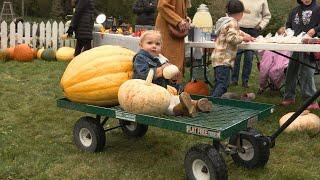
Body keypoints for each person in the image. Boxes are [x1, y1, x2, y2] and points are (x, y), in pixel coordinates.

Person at [133, 30, 212, 117]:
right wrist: (161, 70)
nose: (154, 46)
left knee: (175, 99)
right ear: (141, 45)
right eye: (149, 43)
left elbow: (165, 79)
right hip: (145, 95)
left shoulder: (161, 59)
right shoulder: (140, 58)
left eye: (157, 44)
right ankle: (179, 110)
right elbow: (143, 75)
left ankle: (196, 104)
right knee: (166, 106)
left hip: (160, 92)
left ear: (161, 46)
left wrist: (172, 78)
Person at [281, 0, 320, 110]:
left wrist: (315, 29)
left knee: (306, 72)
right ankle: (289, 97)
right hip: (295, 45)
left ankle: (310, 101)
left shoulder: (318, 9)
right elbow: (288, 25)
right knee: (291, 71)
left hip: (311, 47)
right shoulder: (295, 11)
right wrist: (287, 31)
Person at [211, 0, 254, 97]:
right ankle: (212, 102)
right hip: (224, 59)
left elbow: (237, 32)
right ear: (239, 13)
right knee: (223, 85)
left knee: (219, 83)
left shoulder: (226, 21)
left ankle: (209, 103)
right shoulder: (233, 22)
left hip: (218, 58)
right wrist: (243, 39)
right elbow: (231, 38)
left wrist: (248, 36)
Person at [231, 0, 271, 88]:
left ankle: (245, 81)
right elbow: (231, 11)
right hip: (239, 28)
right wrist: (233, 23)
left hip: (254, 30)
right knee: (236, 56)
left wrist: (261, 26)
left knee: (249, 58)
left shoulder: (262, 1)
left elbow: (267, 16)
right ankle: (234, 80)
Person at [155, 0, 192, 82]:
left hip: (175, 33)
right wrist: (178, 20)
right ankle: (166, 90)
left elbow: (177, 10)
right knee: (168, 64)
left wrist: (185, 18)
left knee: (175, 66)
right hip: (168, 33)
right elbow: (162, 6)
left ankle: (175, 90)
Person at [258, 27, 291, 93]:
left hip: (280, 64)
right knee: (266, 67)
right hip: (267, 63)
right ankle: (268, 85)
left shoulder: (288, 44)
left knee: (277, 68)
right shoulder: (270, 42)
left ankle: (272, 85)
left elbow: (260, 51)